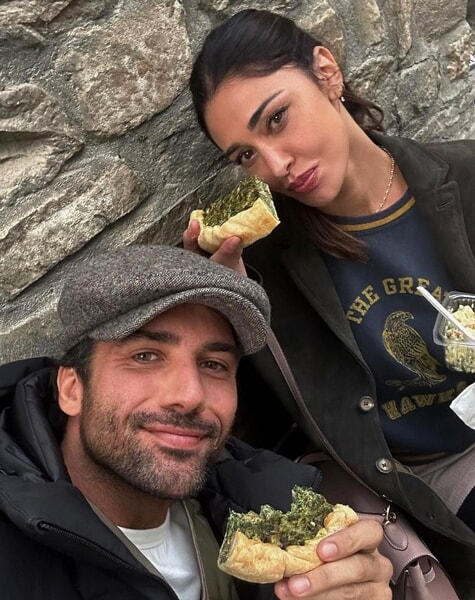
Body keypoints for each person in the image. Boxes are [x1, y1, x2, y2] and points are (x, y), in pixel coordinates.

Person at [183, 7, 475, 588]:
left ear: (326, 72)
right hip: (430, 476)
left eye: (277, 118)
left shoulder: (465, 177)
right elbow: (253, 421)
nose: (276, 166)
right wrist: (233, 305)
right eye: (245, 155)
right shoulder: (265, 264)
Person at [0, 244, 392, 600]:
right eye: (146, 356)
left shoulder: (266, 509)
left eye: (213, 364)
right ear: (72, 390)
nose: (190, 396)